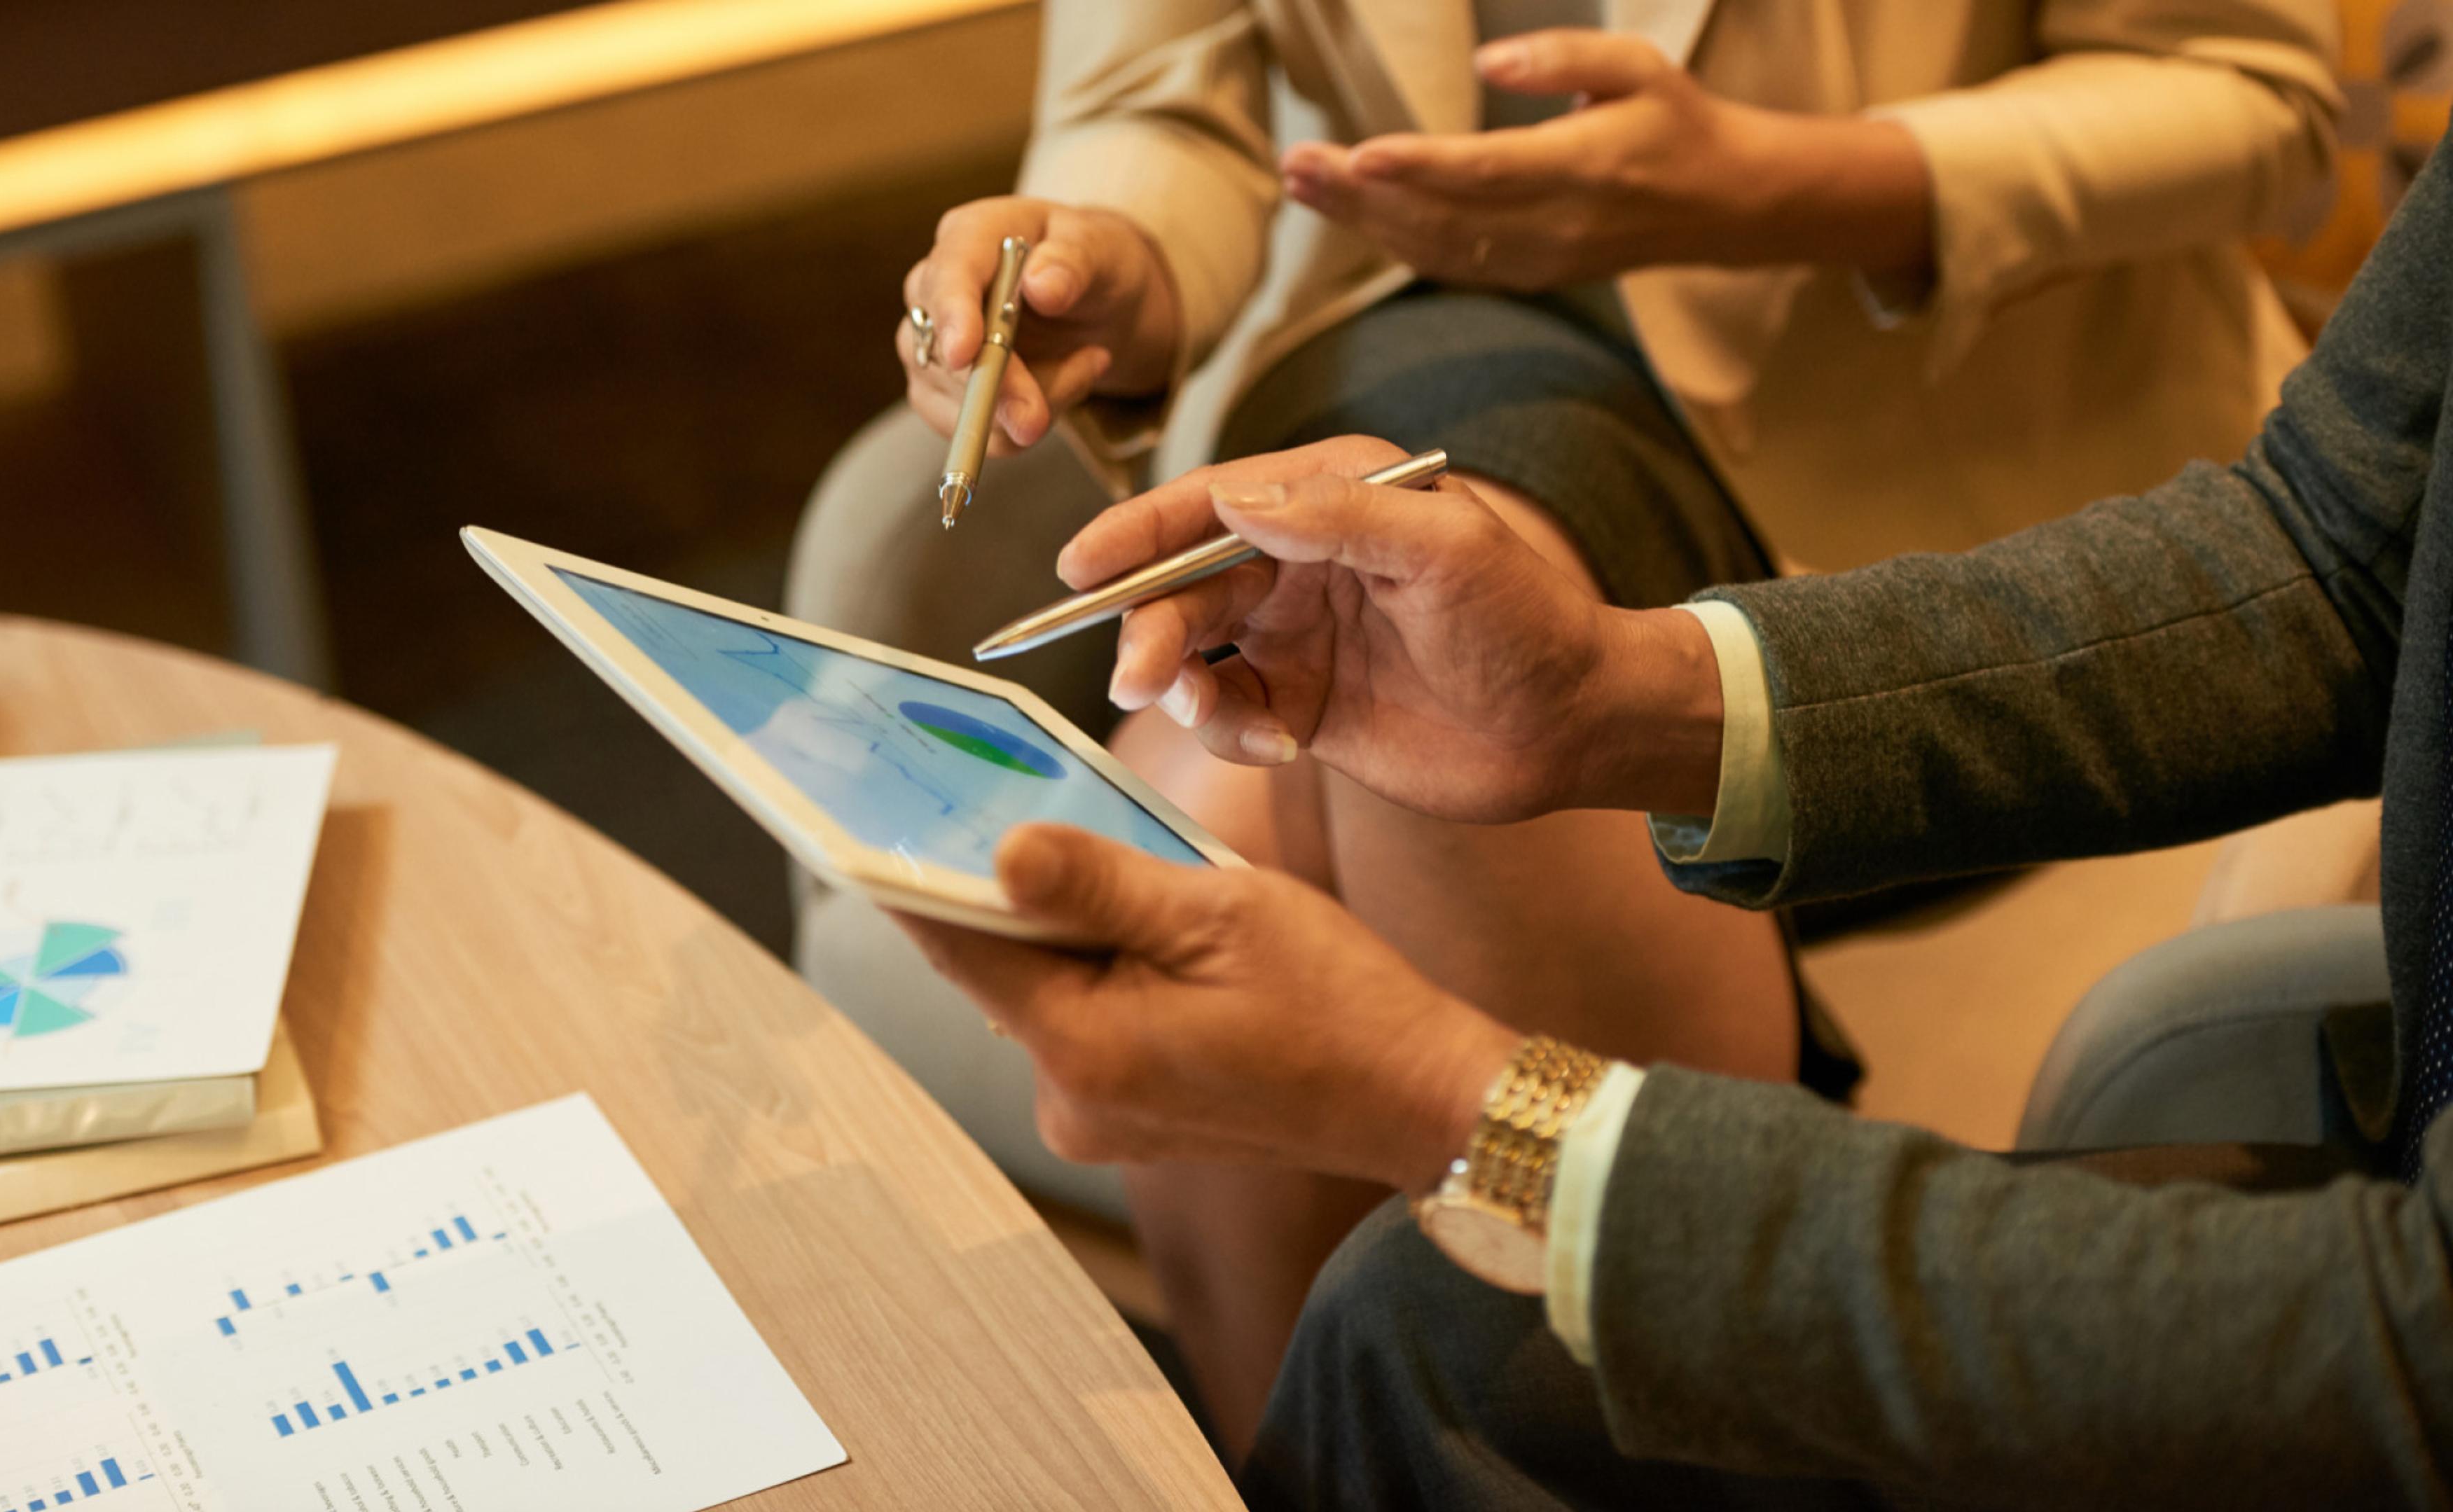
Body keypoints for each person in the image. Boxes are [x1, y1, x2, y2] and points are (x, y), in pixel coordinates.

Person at [789, 0, 2340, 1450]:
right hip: (1397, 345)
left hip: (1936, 435)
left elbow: (2254, 101)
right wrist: (1107, 255)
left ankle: (1453, 1442)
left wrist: (1772, 188)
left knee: (1249, 784)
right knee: (1298, 726)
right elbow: (1162, 97)